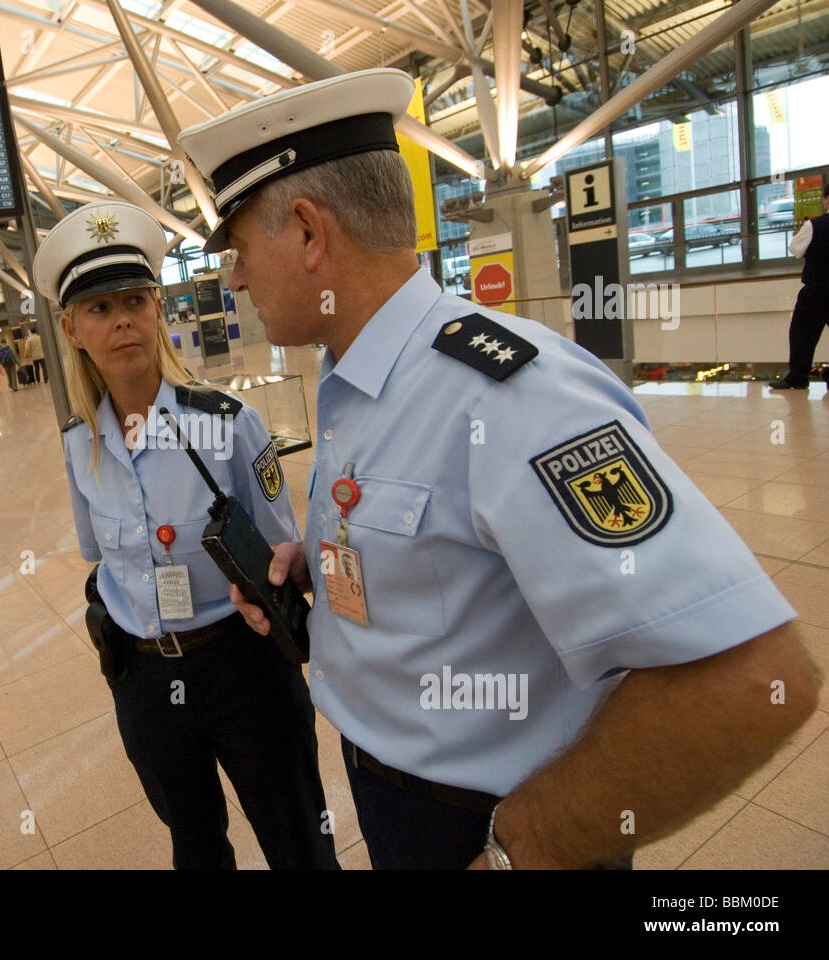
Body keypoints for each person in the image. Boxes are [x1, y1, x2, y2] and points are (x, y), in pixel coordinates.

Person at [178, 68, 820, 870]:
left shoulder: (510, 396)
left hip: (491, 828)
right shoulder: (357, 380)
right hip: (396, 799)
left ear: (309, 233)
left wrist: (520, 849)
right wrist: (325, 568)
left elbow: (753, 680)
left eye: (237, 248)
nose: (232, 277)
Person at [33, 199, 339, 870]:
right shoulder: (80, 444)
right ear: (72, 329)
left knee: (299, 842)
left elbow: (280, 554)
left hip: (243, 667)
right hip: (144, 679)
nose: (121, 322)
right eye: (99, 309)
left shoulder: (228, 424)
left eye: (135, 301)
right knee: (195, 848)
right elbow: (100, 560)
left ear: (158, 312)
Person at [769, 181, 829, 389]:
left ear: (826, 199)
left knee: (803, 333)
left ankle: (798, 376)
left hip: (817, 288)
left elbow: (795, 248)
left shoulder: (815, 225)